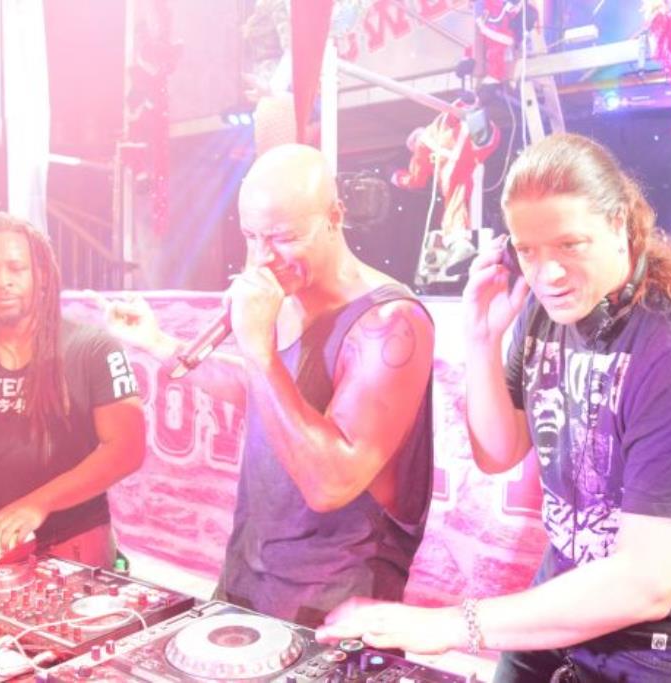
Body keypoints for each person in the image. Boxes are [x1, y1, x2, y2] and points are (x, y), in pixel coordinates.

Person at [318, 133, 671, 683]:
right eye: (528, 251)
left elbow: (647, 583)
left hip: (666, 643)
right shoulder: (547, 313)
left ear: (620, 224)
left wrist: (451, 624)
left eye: (570, 245)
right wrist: (481, 338)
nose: (548, 275)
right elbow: (499, 452)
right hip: (567, 593)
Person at [107, 144, 435, 628]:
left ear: (335, 217)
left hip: (333, 595)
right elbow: (262, 392)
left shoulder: (389, 321)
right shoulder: (285, 296)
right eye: (251, 237)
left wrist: (258, 347)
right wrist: (158, 343)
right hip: (248, 572)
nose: (262, 258)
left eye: (283, 237)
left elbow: (332, 483)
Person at [0, 212, 146, 568]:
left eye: (16, 268)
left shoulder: (92, 348)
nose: (2, 281)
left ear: (41, 275)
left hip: (76, 539)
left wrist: (37, 504)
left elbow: (127, 448)